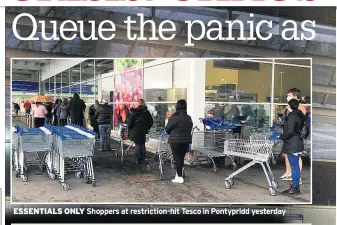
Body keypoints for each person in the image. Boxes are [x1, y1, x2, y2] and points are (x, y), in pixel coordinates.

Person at [279, 88, 306, 184]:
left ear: (294, 96)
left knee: (296, 156)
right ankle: (288, 172)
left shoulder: (299, 106)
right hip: (288, 136)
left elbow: (300, 121)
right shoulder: (289, 107)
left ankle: (297, 177)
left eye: (289, 95)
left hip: (294, 137)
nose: (287, 97)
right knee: (287, 154)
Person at [165, 99, 193, 184]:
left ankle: (180, 177)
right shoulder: (188, 118)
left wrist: (172, 132)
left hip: (175, 141)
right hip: (186, 141)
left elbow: (167, 129)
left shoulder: (174, 117)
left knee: (177, 158)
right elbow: (190, 128)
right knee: (180, 158)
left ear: (177, 106)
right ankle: (178, 174)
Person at [128, 99, 153, 164]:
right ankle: (143, 158)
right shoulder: (146, 112)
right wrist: (147, 128)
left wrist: (130, 129)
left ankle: (138, 159)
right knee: (143, 144)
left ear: (138, 103)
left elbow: (130, 123)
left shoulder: (133, 112)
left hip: (135, 131)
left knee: (137, 144)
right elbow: (151, 122)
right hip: (143, 131)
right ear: (144, 103)